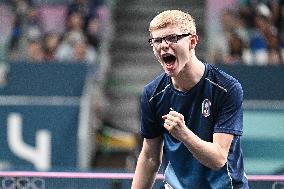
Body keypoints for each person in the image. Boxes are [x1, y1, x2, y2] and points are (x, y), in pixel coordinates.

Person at [131, 10, 249, 189]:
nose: (163, 45)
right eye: (157, 40)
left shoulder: (227, 88)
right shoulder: (152, 94)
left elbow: (218, 159)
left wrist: (183, 133)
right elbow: (149, 157)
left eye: (172, 38)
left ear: (192, 41)